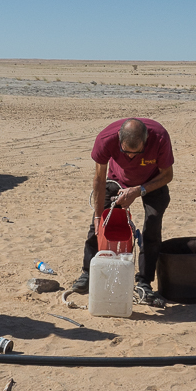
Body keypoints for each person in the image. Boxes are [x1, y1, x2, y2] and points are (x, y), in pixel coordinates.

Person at [72, 118, 174, 307]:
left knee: (152, 225)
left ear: (146, 140)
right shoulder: (105, 139)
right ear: (119, 139)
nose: (132, 157)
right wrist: (97, 215)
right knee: (102, 222)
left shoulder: (160, 137)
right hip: (117, 179)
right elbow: (99, 179)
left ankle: (144, 282)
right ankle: (87, 272)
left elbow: (167, 175)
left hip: (152, 181)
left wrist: (138, 190)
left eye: (138, 152)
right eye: (127, 151)